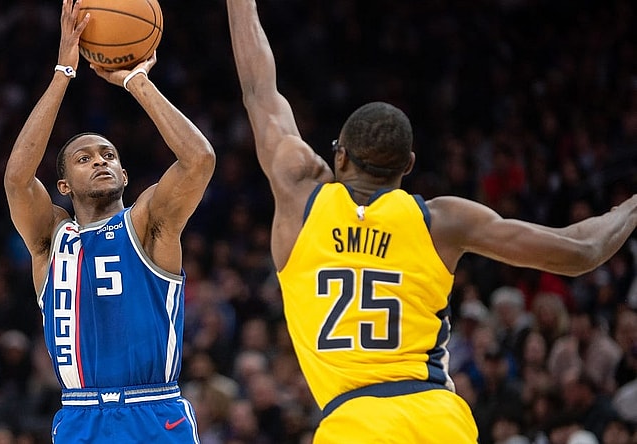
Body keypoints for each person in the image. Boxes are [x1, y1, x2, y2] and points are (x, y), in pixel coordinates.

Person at [224, 0, 637, 442]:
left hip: (354, 425)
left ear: (339, 155)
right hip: (438, 419)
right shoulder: (440, 220)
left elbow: (258, 90)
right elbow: (580, 252)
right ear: (409, 165)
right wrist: (629, 208)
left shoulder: (300, 196)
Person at [3, 0, 215, 442]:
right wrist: (63, 73)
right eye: (84, 158)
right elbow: (17, 179)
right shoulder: (50, 239)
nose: (100, 161)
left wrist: (137, 81)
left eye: (109, 155)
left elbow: (199, 161)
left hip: (154, 410)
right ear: (63, 185)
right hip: (81, 417)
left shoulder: (149, 223)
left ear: (125, 175)